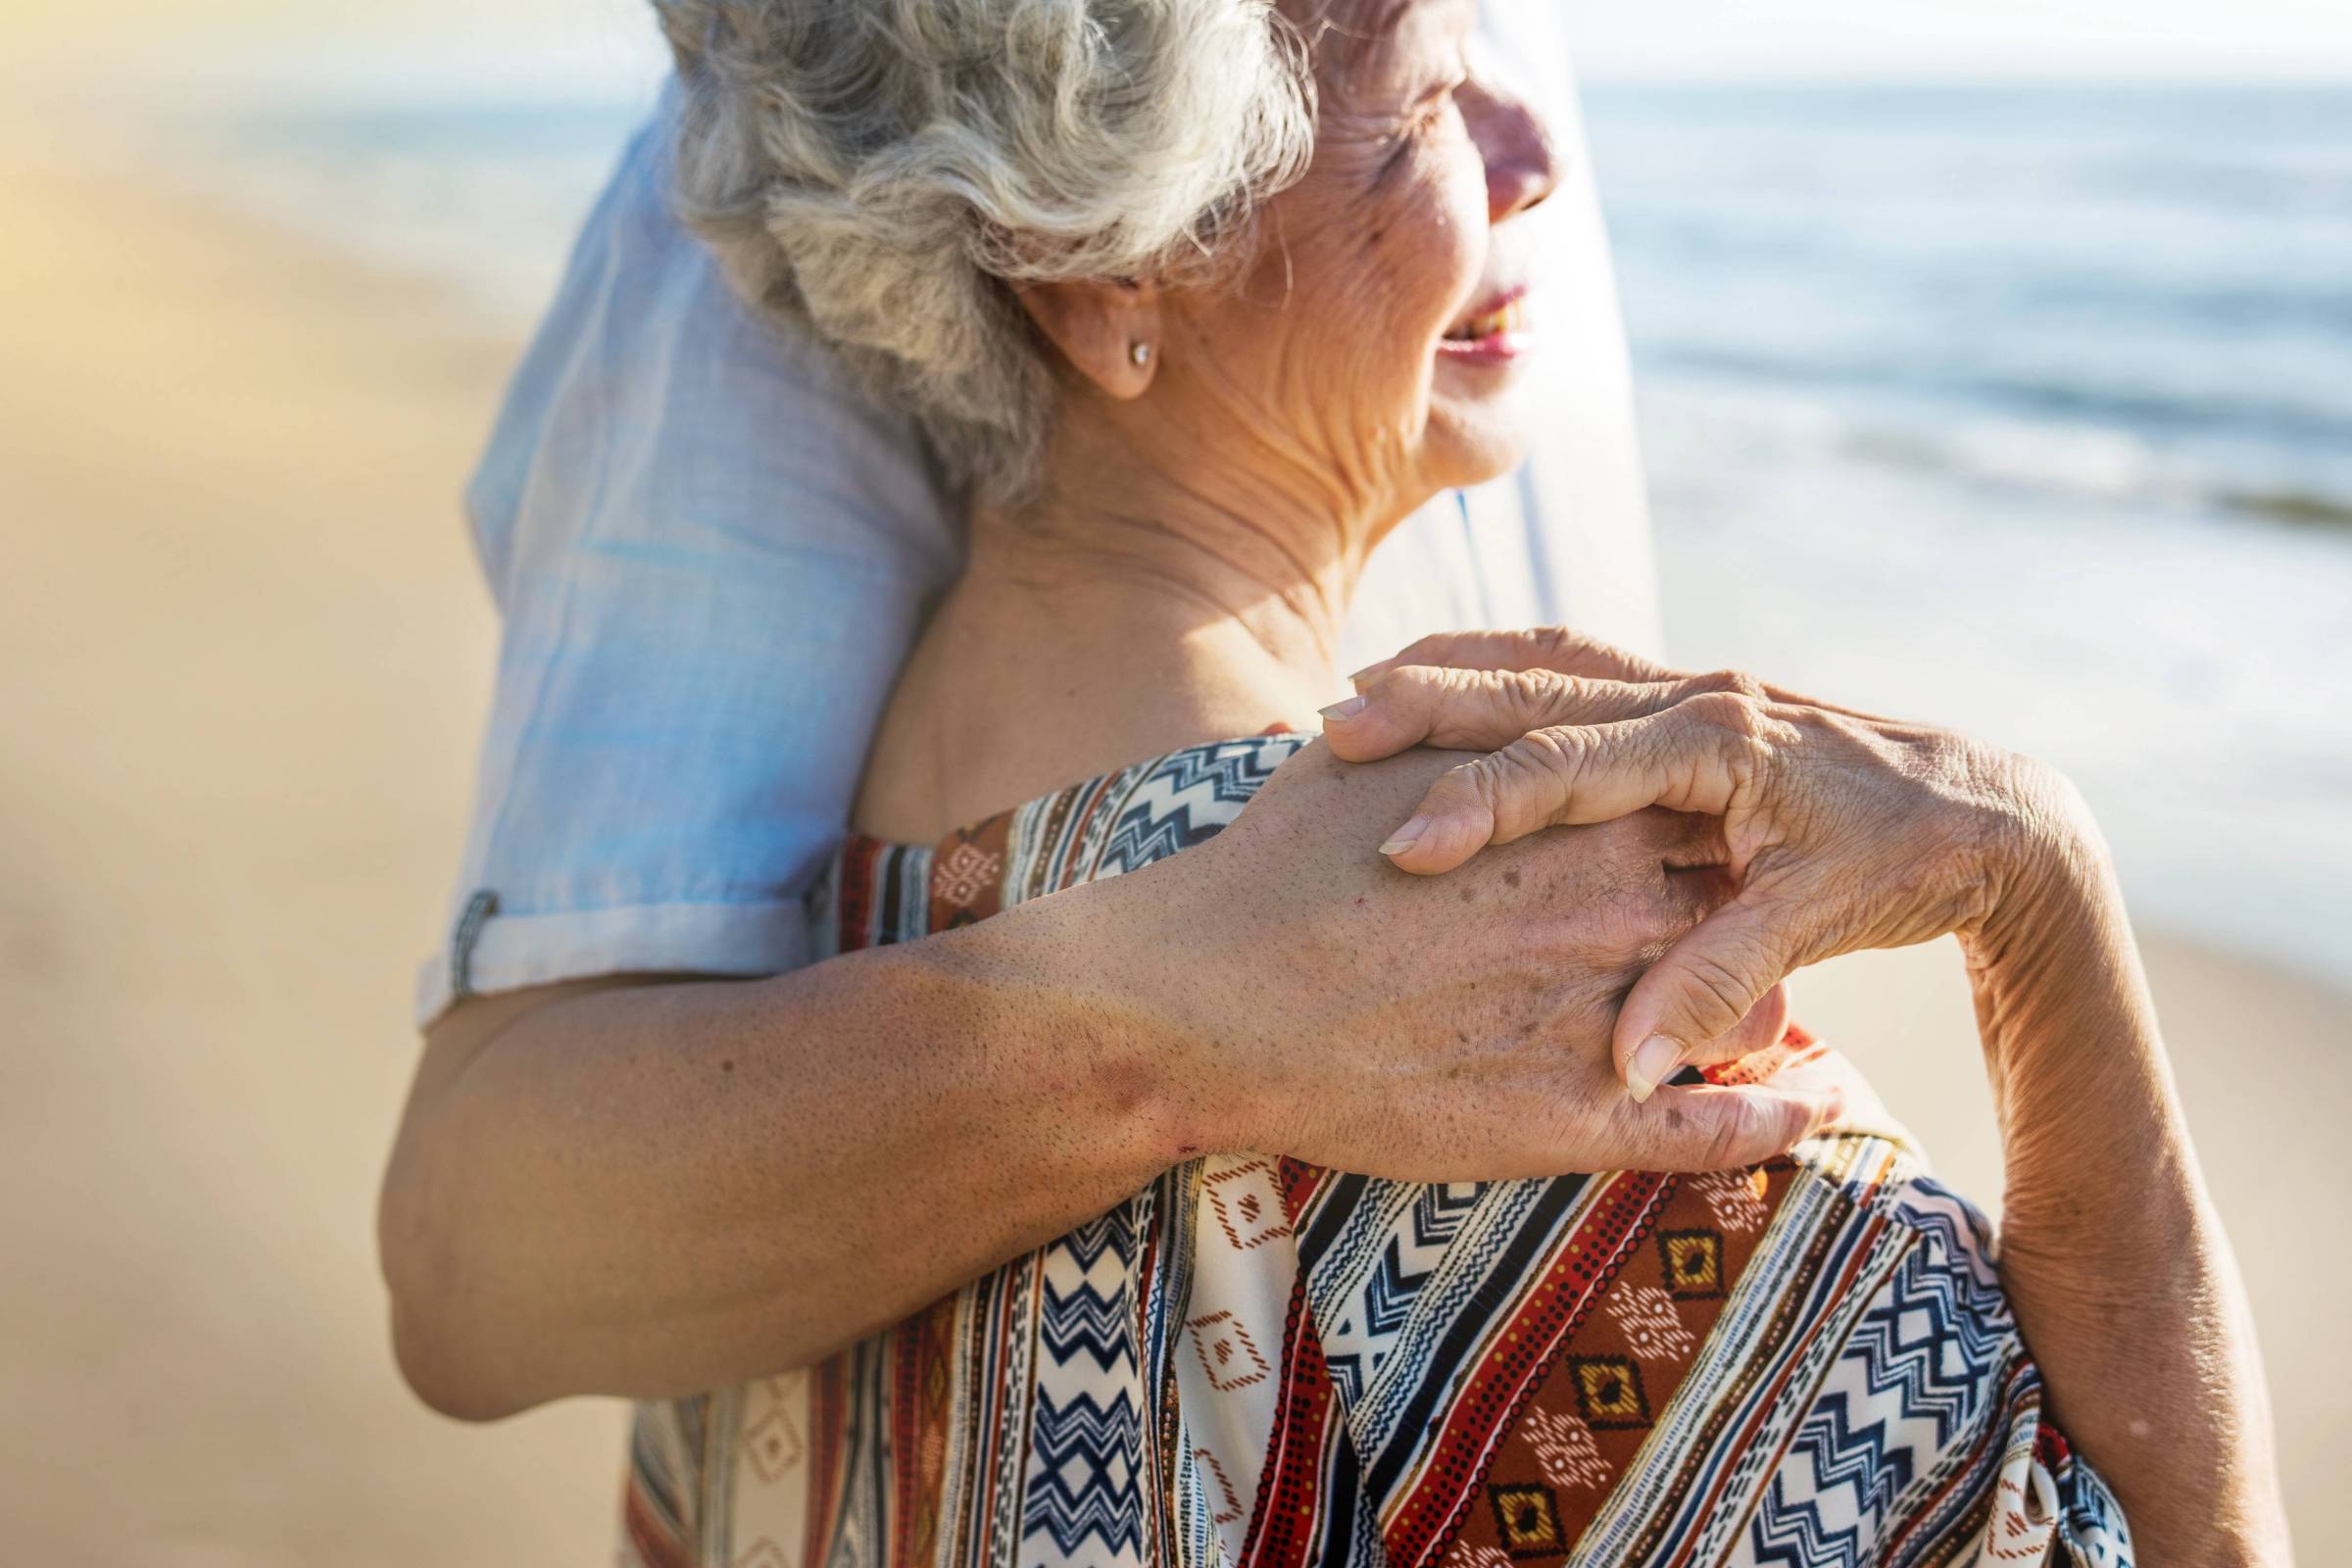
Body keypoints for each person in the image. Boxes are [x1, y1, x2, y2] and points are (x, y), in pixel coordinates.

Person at [378, 0, 2288, 1563]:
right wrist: (2032, 875)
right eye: (1439, 106)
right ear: (1101, 271)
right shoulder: (1495, 993)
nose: (1540, 158)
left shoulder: (831, 937)